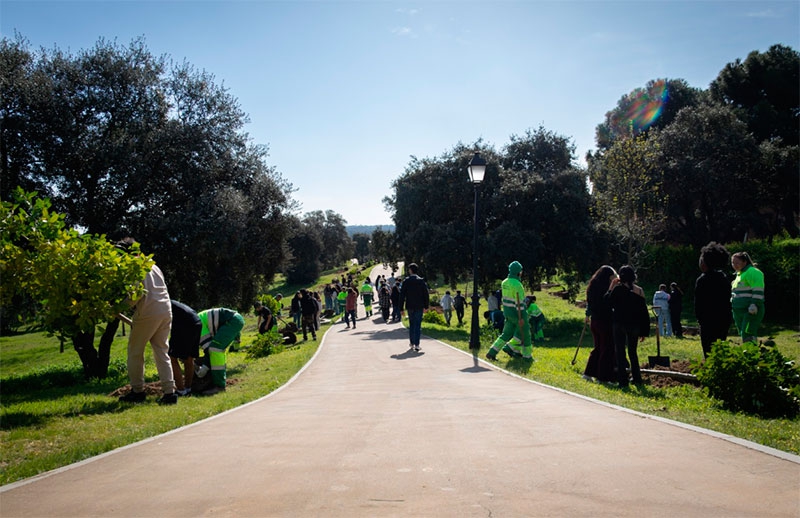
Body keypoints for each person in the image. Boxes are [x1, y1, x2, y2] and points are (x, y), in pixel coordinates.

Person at [116, 238, 177, 405]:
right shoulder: (153, 266)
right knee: (161, 351)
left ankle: (137, 391)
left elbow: (134, 297)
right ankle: (170, 393)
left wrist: (117, 307)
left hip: (148, 311)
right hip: (165, 310)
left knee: (135, 352)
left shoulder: (136, 267)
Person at [605, 265, 649, 387]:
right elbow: (644, 312)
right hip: (634, 325)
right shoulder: (639, 291)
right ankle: (637, 378)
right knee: (633, 352)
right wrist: (644, 331)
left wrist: (611, 287)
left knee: (620, 352)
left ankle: (622, 380)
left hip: (619, 323)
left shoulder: (617, 290)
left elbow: (607, 302)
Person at [486, 261, 532, 361]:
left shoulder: (504, 282)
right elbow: (520, 303)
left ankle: (492, 352)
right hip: (517, 313)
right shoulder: (518, 285)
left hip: (507, 312)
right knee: (525, 334)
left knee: (506, 334)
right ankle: (526, 356)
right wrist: (521, 317)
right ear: (518, 272)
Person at [694, 242, 732, 358]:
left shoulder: (702, 280)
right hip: (723, 319)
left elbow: (698, 303)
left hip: (707, 320)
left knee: (708, 350)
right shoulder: (724, 278)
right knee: (720, 348)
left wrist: (699, 318)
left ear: (705, 262)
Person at [197, 307, 245, 395]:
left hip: (232, 321)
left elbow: (208, 349)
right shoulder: (198, 319)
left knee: (215, 349)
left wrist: (204, 368)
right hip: (235, 319)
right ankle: (220, 379)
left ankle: (219, 386)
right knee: (217, 348)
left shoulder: (198, 326)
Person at [582, 266, 618, 383]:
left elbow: (590, 304)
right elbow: (606, 302)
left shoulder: (592, 287)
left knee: (598, 348)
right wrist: (612, 288)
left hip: (595, 321)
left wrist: (588, 315)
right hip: (605, 321)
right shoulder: (605, 289)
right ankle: (603, 377)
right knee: (607, 348)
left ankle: (588, 373)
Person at [730, 251, 765, 343]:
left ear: (744, 262)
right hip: (738, 311)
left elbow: (758, 290)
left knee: (748, 332)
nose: (734, 265)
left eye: (737, 263)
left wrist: (754, 304)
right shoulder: (739, 274)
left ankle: (751, 350)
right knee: (743, 333)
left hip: (750, 310)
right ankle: (749, 350)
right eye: (733, 263)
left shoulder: (753, 272)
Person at [169, 300, 201, 397]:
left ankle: (180, 390)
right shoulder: (168, 301)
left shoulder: (158, 304)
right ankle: (188, 388)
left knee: (172, 357)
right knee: (189, 358)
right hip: (196, 321)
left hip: (184, 324)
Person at [398, 263, 430, 351]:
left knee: (412, 324)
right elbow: (426, 294)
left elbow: (402, 295)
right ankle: (417, 344)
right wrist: (426, 306)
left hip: (410, 306)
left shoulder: (406, 281)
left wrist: (401, 308)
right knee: (418, 325)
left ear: (410, 270)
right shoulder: (421, 281)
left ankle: (412, 343)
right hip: (419, 306)